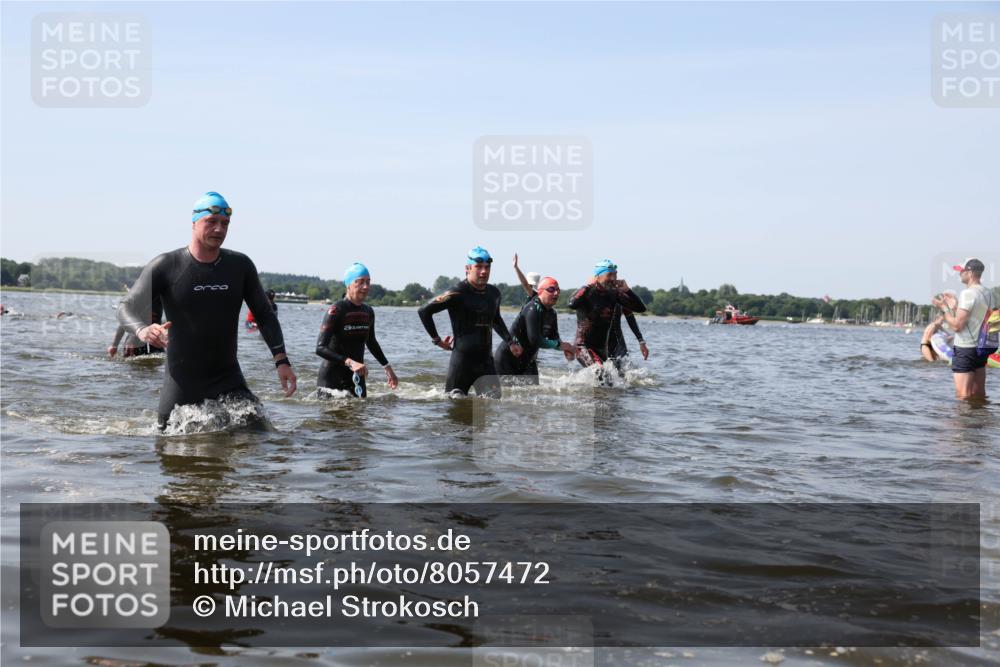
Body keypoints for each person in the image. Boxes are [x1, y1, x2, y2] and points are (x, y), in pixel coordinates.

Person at [117, 191, 296, 429]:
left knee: (264, 439)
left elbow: (264, 315)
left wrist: (281, 361)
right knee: (171, 451)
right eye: (211, 222)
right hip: (182, 383)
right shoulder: (166, 265)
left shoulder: (240, 266)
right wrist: (142, 331)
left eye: (225, 223)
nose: (219, 229)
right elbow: (126, 307)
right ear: (194, 223)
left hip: (229, 379)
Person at [418, 246, 521, 397]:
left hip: (486, 363)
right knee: (455, 413)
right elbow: (424, 311)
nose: (484, 271)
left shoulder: (494, 293)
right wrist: (437, 340)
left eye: (487, 267)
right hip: (461, 363)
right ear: (467, 268)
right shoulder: (456, 292)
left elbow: (496, 319)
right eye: (478, 267)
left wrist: (510, 342)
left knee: (493, 406)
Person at [316, 262, 398, 398]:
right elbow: (320, 348)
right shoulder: (336, 310)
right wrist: (350, 362)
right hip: (331, 380)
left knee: (359, 418)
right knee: (331, 419)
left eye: (368, 282)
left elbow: (371, 342)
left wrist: (387, 367)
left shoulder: (368, 311)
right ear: (348, 284)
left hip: (357, 378)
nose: (365, 287)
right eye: (360, 282)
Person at [931, 258, 998, 400]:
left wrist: (944, 308)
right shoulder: (989, 293)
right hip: (982, 348)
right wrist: (955, 307)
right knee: (979, 394)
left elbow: (956, 326)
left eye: (961, 271)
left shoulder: (968, 293)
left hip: (965, 348)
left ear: (970, 272)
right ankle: (980, 420)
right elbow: (974, 318)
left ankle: (964, 422)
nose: (959, 273)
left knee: (963, 396)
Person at [567, 259, 647, 370]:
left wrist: (628, 290)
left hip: (602, 348)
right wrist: (586, 286)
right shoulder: (588, 292)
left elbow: (641, 308)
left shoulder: (615, 293)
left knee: (608, 382)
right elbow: (571, 304)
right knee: (600, 373)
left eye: (615, 274)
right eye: (609, 275)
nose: (613, 278)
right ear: (598, 276)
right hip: (583, 347)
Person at [494, 277, 576, 383]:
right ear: (540, 292)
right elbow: (535, 340)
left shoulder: (552, 313)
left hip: (528, 361)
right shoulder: (532, 309)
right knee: (508, 396)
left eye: (558, 290)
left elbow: (554, 338)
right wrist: (559, 345)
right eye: (551, 289)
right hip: (508, 360)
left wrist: (566, 349)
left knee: (533, 395)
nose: (556, 293)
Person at [607, 305, 650, 369]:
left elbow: (630, 319)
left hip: (618, 342)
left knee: (623, 369)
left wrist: (641, 341)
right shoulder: (590, 295)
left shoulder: (621, 297)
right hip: (597, 342)